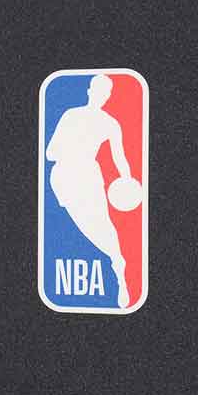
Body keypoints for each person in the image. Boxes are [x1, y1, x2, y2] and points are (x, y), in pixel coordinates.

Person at [45, 74, 135, 307]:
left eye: (105, 92)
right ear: (90, 91)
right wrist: (69, 151)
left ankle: (119, 269)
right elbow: (49, 153)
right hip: (63, 178)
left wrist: (127, 180)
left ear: (108, 96)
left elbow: (120, 157)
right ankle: (117, 260)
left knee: (102, 224)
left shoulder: (110, 123)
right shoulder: (70, 115)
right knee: (85, 226)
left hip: (88, 176)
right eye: (98, 89)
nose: (101, 95)